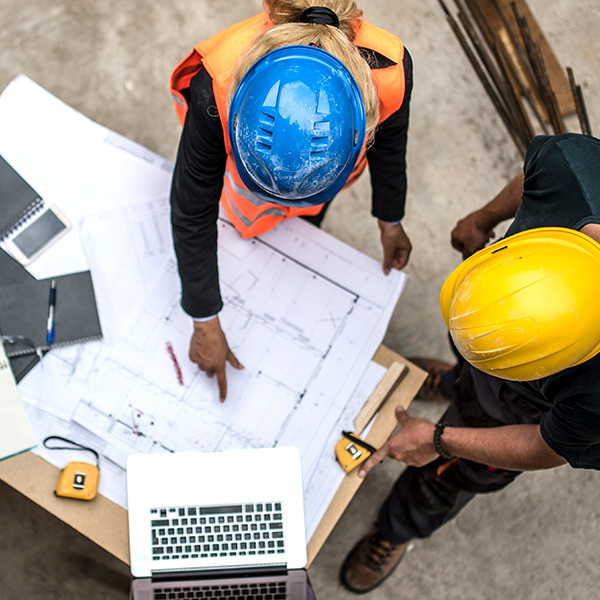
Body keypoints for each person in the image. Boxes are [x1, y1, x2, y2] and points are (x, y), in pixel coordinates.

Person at [340, 132, 600, 594]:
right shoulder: (575, 171)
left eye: (505, 359)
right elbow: (534, 177)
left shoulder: (594, 396)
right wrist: (483, 219)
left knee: (448, 477)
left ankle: (397, 528)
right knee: (472, 361)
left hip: (523, 414)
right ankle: (459, 379)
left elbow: (548, 446)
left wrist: (440, 440)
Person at [169, 0, 414, 401]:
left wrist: (390, 217)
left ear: (361, 129)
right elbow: (193, 207)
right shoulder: (218, 84)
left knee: (299, 231)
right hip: (243, 191)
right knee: (245, 223)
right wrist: (204, 319)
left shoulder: (389, 71)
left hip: (320, 184)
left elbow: (390, 148)